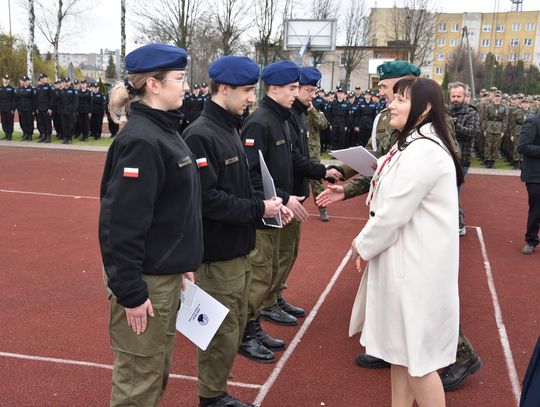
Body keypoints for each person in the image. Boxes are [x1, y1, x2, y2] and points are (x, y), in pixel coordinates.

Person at [98, 43, 203, 407]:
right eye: (179, 78)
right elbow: (120, 224)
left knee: (153, 377)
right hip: (145, 281)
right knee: (137, 386)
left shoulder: (165, 130)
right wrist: (130, 292)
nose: (186, 86)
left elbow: (174, 211)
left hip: (164, 274)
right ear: (154, 85)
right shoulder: (143, 140)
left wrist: (182, 262)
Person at [350, 77, 464, 407]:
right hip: (406, 266)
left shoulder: (425, 151)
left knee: (419, 363)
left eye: (400, 99)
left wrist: (362, 243)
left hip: (416, 273)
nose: (391, 104)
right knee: (399, 355)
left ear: (424, 108)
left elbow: (392, 213)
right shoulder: (412, 145)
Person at [183, 55, 286, 407]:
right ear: (223, 89)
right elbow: (208, 200)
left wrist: (266, 205)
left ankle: (216, 392)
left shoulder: (230, 126)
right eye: (245, 91)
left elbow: (243, 184)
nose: (250, 99)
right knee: (220, 332)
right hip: (217, 255)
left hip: (239, 248)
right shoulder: (200, 134)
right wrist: (259, 209)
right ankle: (211, 398)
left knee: (232, 327)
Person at [259, 66, 343, 327]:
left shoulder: (296, 116)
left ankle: (276, 295)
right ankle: (268, 302)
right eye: (304, 89)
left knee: (289, 252)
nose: (309, 95)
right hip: (283, 198)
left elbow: (298, 156)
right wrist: (287, 195)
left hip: (293, 194)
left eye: (307, 89)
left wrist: (319, 170)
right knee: (278, 254)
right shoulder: (280, 118)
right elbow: (281, 162)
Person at [239, 60, 301, 364]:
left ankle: (253, 325)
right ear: (273, 88)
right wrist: (278, 201)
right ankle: (245, 331)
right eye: (291, 88)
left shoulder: (280, 119)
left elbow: (283, 165)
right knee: (259, 274)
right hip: (263, 213)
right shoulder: (259, 121)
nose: (296, 93)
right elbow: (252, 173)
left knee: (268, 272)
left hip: (276, 210)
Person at [448, 81, 480, 235]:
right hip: (445, 158)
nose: (455, 99)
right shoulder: (446, 112)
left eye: (458, 96)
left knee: (453, 191)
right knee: (447, 192)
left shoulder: (472, 113)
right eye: (453, 96)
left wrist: (454, 125)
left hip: (461, 160)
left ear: (465, 96)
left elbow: (471, 133)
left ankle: (459, 224)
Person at [517, 111, 540, 255]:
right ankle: (531, 240)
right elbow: (523, 146)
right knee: (537, 209)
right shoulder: (533, 122)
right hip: (535, 176)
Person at [35, 73, 55, 143]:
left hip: (47, 109)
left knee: (47, 123)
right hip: (40, 108)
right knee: (41, 123)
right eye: (41, 78)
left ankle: (48, 137)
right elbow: (37, 98)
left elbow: (52, 98)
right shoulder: (38, 87)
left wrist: (50, 108)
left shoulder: (49, 87)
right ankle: (43, 136)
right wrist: (37, 108)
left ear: (46, 78)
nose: (42, 79)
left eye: (43, 78)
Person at [58, 77, 78, 144]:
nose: (66, 83)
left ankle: (69, 138)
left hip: (70, 111)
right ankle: (65, 138)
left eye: (67, 82)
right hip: (63, 111)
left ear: (69, 82)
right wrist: (60, 110)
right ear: (64, 82)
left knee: (70, 125)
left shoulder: (73, 91)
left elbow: (75, 102)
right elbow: (60, 102)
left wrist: (74, 111)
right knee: (64, 125)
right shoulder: (62, 91)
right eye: (65, 82)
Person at [16, 75, 36, 141]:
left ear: (29, 81)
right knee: (23, 122)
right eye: (24, 81)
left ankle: (30, 135)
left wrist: (34, 109)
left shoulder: (32, 89)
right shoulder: (21, 89)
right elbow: (18, 99)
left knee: (29, 122)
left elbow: (34, 100)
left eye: (26, 81)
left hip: (29, 109)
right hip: (22, 108)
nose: (25, 82)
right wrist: (18, 108)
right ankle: (25, 134)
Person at [0, 74, 16, 140]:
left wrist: (13, 108)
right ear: (2, 79)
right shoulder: (0, 88)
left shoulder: (11, 88)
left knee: (9, 121)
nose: (6, 80)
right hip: (2, 108)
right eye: (5, 79)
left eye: (7, 79)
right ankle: (6, 134)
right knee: (4, 121)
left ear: (9, 80)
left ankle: (10, 135)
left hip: (9, 108)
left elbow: (14, 99)